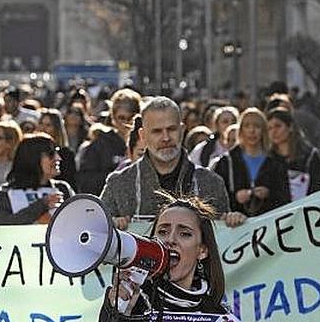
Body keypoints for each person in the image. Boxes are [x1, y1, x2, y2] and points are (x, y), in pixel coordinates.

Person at [93, 193, 251, 322]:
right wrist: (120, 315)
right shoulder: (133, 306)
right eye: (163, 231)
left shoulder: (218, 318)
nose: (170, 240)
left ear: (202, 250)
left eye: (184, 233)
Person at [100, 97, 243, 229]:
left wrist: (233, 221)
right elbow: (96, 235)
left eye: (171, 129)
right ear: (142, 136)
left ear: (182, 130)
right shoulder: (118, 184)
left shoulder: (211, 183)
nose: (166, 138)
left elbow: (223, 242)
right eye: (157, 131)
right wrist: (110, 224)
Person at [211, 108, 290, 217]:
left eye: (257, 126)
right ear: (241, 129)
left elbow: (285, 198)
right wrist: (235, 197)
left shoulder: (276, 162)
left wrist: (269, 194)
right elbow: (215, 199)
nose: (252, 131)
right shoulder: (226, 162)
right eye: (247, 126)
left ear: (263, 131)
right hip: (235, 227)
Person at [0, 133, 74, 225]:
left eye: (57, 152)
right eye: (51, 154)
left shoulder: (63, 189)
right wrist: (42, 205)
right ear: (33, 158)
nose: (58, 158)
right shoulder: (6, 194)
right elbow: (1, 227)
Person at [76, 88, 141, 195]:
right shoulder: (100, 143)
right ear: (113, 117)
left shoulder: (146, 142)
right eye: (121, 117)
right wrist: (117, 174)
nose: (126, 123)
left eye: (131, 118)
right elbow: (86, 181)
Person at [266, 107, 320, 201]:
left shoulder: (309, 156)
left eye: (278, 126)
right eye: (269, 128)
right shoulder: (267, 159)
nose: (274, 132)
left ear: (290, 127)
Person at [37, 108, 77, 189]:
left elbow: (70, 182)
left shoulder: (66, 154)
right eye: (41, 124)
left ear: (57, 128)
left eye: (48, 125)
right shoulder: (31, 150)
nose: (43, 128)